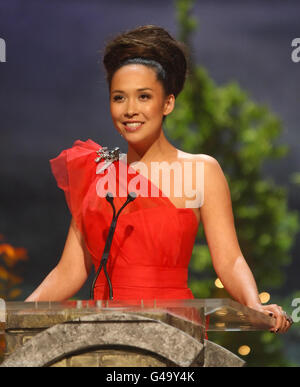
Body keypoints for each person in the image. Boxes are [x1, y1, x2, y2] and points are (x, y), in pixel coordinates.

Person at [25, 25, 292, 334]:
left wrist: (254, 305)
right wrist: (10, 318)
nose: (130, 110)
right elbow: (69, 271)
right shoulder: (98, 172)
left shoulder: (201, 170)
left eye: (144, 96)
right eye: (119, 97)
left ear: (168, 103)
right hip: (104, 331)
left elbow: (230, 260)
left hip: (173, 329)